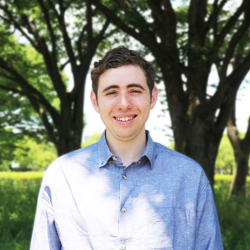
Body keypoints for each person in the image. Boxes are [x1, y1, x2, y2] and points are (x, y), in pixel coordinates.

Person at [30, 46, 224, 250]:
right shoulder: (61, 177)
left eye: (135, 91)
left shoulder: (190, 177)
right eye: (112, 92)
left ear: (153, 97)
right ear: (95, 101)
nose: (124, 104)